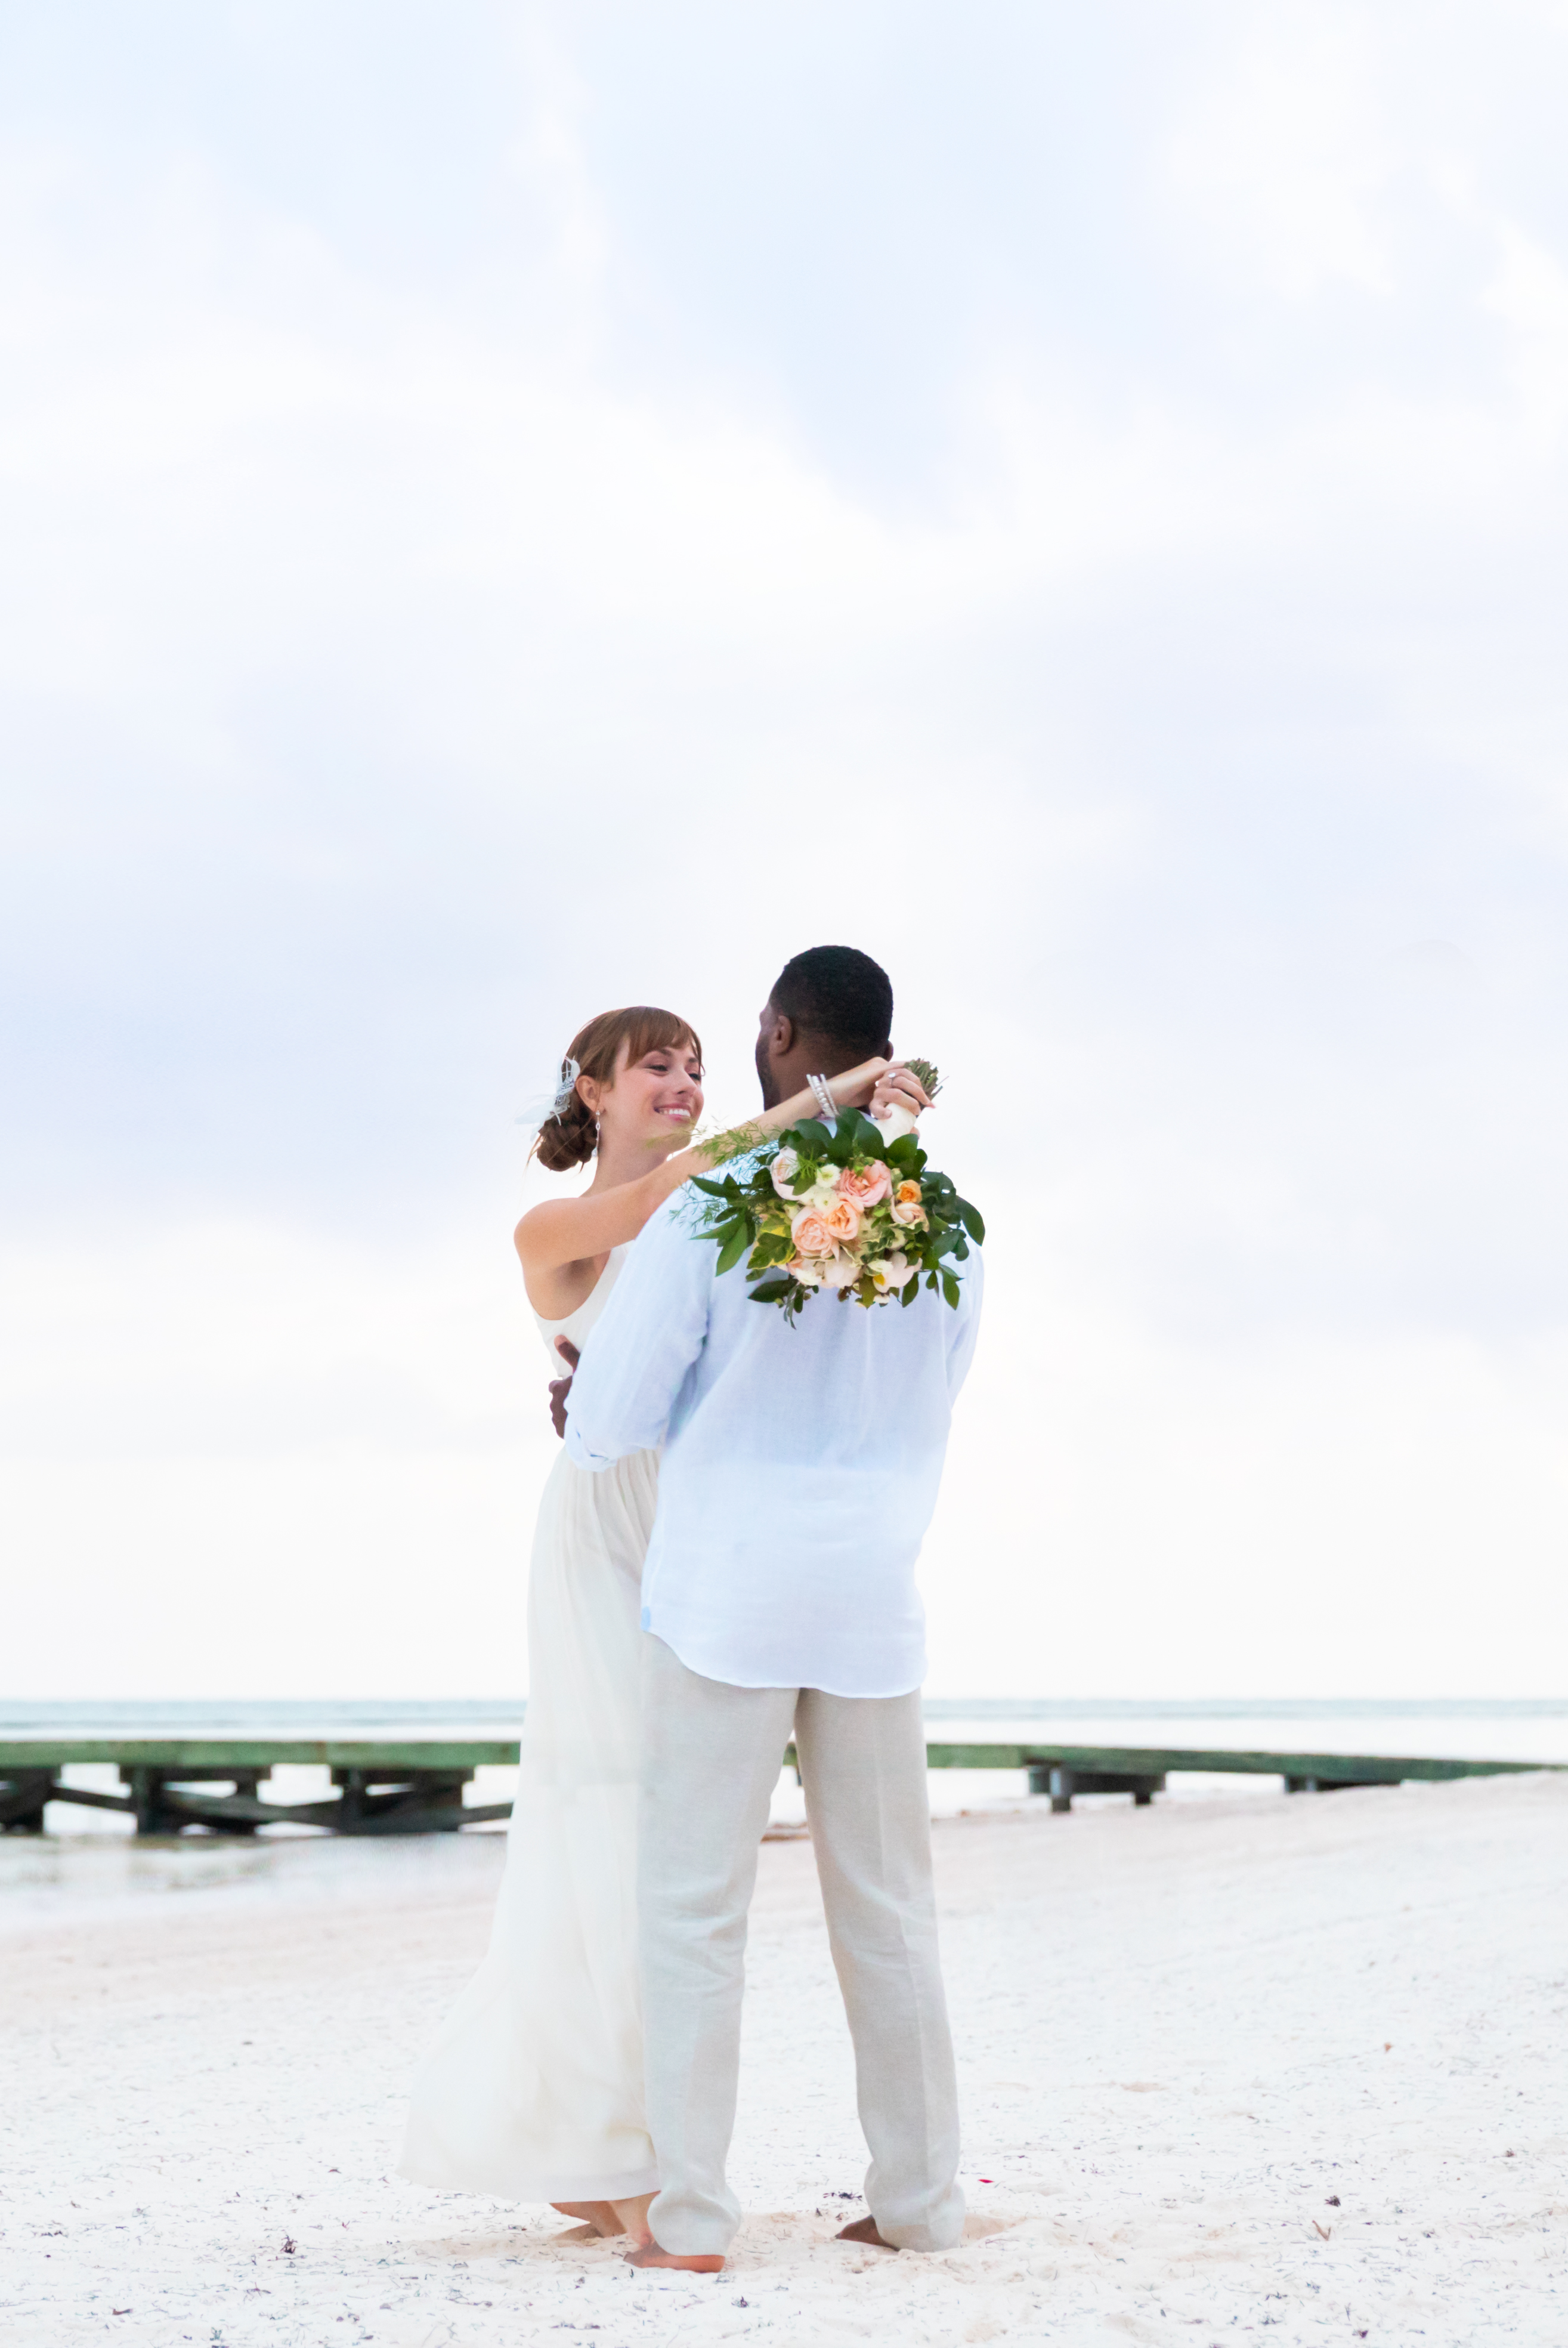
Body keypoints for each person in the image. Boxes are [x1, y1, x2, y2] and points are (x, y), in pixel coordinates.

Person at [400, 997, 926, 2241]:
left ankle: (627, 2143)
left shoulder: (719, 1206)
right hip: (604, 1521)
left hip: (697, 1512)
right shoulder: (560, 1221)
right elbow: (661, 1197)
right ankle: (619, 2145)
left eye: (696, 1065)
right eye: (656, 1066)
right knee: (611, 1816)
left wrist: (873, 1137)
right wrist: (834, 1092)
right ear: (590, 1088)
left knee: (671, 1836)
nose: (684, 1084)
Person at [556, 944, 980, 2275]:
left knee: (694, 1910)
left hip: (728, 1592)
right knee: (890, 1910)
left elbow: (612, 1421)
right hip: (868, 1594)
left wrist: (616, 1407)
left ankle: (690, 2222)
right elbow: (939, 1393)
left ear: (780, 1032)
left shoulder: (715, 1200)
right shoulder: (944, 1221)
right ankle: (918, 2202)